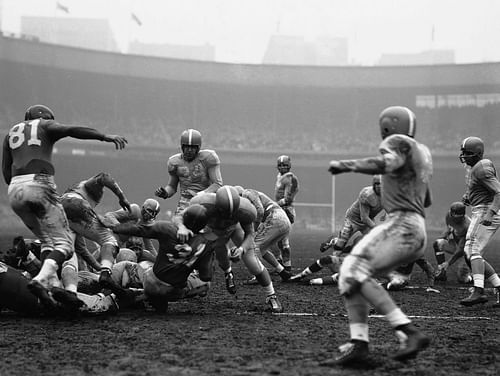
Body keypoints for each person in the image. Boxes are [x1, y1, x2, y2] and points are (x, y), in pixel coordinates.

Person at [325, 106, 433, 365]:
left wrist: (347, 165)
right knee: (352, 273)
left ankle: (408, 333)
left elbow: (385, 162)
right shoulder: (423, 153)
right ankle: (359, 344)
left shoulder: (396, 142)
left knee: (351, 270)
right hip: (416, 228)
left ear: (387, 126)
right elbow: (427, 199)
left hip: (402, 223)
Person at [2, 104, 127, 306]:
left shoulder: (10, 134)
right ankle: (40, 281)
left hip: (15, 191)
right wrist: (104, 136)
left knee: (47, 242)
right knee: (65, 246)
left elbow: (7, 174)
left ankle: (53, 286)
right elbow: (71, 130)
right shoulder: (44, 125)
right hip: (40, 184)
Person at [175, 186, 284, 313]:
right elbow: (179, 217)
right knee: (213, 258)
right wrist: (182, 227)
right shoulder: (202, 203)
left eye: (232, 213)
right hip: (214, 232)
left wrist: (242, 249)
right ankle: (227, 273)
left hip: (235, 229)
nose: (228, 216)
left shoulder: (246, 210)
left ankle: (271, 296)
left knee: (253, 263)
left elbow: (250, 233)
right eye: (224, 212)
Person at [154, 129, 233, 291]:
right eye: (186, 146)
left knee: (209, 241)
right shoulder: (175, 162)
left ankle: (228, 272)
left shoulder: (208, 159)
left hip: (204, 205)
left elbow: (217, 184)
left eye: (193, 147)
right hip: (184, 207)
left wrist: (200, 196)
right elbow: (172, 187)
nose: (189, 150)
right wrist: (165, 193)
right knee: (178, 239)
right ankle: (185, 275)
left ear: (198, 148)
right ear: (181, 147)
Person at [110, 204, 216, 313]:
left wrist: (115, 226)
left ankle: (136, 294)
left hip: (151, 282)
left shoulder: (166, 228)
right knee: (205, 284)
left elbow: (139, 230)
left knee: (143, 269)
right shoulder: (204, 245)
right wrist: (200, 258)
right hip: (173, 290)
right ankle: (145, 296)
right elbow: (206, 276)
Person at [60, 172, 135, 292]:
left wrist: (97, 267)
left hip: (60, 211)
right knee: (109, 240)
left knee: (70, 255)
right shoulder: (88, 188)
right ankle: (106, 272)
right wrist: (122, 198)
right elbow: (104, 176)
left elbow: (82, 250)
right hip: (75, 204)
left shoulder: (71, 194)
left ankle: (71, 292)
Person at [457, 137, 500, 307]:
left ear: (478, 153)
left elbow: (498, 192)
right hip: (480, 208)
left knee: (472, 248)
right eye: (463, 152)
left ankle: (478, 290)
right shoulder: (476, 168)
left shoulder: (481, 168)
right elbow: (481, 188)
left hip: (485, 210)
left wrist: (490, 213)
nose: (464, 156)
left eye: (468, 153)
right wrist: (469, 196)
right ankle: (497, 285)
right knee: (471, 254)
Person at [235, 186, 293, 282]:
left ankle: (259, 276)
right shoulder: (249, 196)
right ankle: (282, 272)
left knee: (254, 247)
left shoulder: (247, 193)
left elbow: (260, 211)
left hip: (275, 217)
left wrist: (255, 228)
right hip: (282, 220)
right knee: (263, 249)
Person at [319, 175, 383, 253]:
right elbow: (364, 217)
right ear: (374, 184)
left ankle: (350, 249)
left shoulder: (389, 194)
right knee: (339, 247)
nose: (380, 186)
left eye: (382, 183)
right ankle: (333, 241)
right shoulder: (367, 194)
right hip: (353, 220)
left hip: (369, 220)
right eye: (377, 184)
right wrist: (377, 228)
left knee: (374, 243)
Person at [433, 201, 472, 284]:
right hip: (457, 244)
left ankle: (474, 274)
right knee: (438, 243)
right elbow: (449, 229)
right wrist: (442, 237)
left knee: (462, 279)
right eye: (452, 215)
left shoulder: (467, 227)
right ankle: (441, 273)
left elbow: (460, 250)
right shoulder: (449, 215)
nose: (453, 218)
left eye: (456, 217)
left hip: (467, 251)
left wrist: (448, 263)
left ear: (462, 216)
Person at [273, 155, 299, 272]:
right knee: (277, 240)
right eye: (280, 165)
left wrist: (275, 204)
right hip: (280, 210)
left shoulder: (291, 178)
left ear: (289, 166)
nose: (282, 167)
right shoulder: (279, 176)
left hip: (287, 211)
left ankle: (287, 267)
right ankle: (279, 263)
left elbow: (288, 199)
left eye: (285, 165)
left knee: (284, 241)